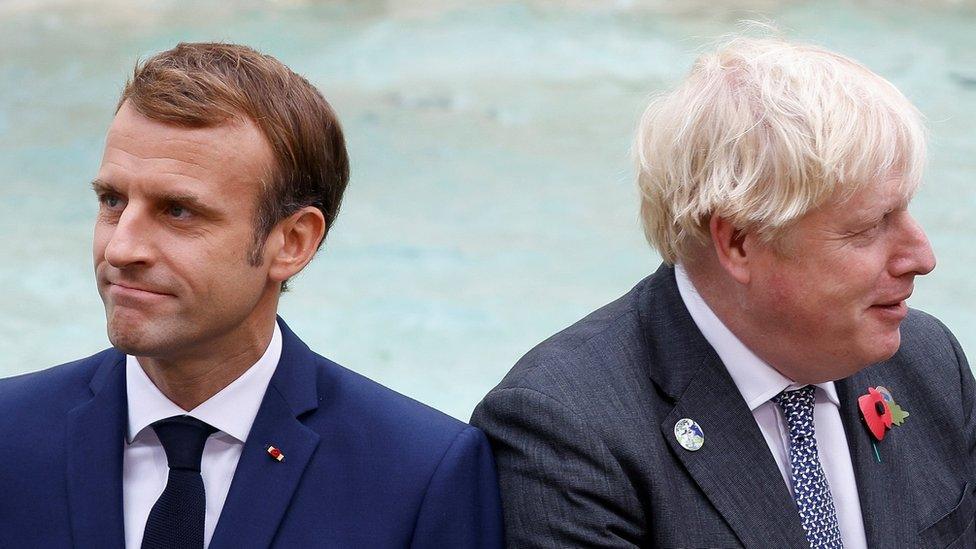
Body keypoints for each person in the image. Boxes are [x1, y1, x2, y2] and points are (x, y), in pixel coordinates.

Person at [472, 35, 975, 548]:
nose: (922, 257)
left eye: (907, 211)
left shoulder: (927, 362)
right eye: (870, 226)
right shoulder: (568, 431)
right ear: (738, 242)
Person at [0, 42, 502, 548]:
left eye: (178, 211)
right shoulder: (7, 437)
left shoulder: (420, 475)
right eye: (112, 201)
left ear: (292, 242)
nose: (121, 247)